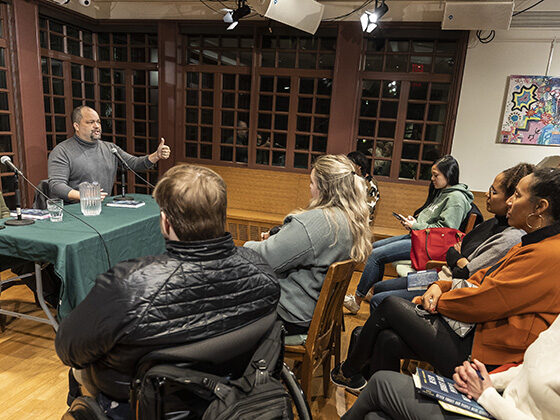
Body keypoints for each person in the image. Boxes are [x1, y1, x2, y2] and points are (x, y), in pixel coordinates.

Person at [55, 164, 280, 414]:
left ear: (165, 222)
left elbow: (69, 348)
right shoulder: (262, 269)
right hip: (232, 397)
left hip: (142, 404)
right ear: (223, 217)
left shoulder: (129, 285)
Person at [331, 168, 560, 392]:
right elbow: (473, 268)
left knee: (388, 303)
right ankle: (380, 399)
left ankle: (349, 371)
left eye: (517, 196)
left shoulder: (543, 252)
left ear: (540, 207)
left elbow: (481, 294)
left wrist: (436, 299)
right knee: (387, 337)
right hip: (452, 296)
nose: (509, 201)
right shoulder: (526, 239)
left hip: (485, 351)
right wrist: (440, 286)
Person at [369, 163, 533, 309]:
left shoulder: (511, 236)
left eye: (494, 192)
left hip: (447, 284)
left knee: (379, 297)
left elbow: (465, 271)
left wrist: (457, 256)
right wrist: (458, 257)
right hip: (437, 274)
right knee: (380, 287)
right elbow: (453, 251)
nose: (487, 195)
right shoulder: (490, 222)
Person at [341, 313, 560, 420]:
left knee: (381, 382)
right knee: (374, 418)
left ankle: (348, 372)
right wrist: (488, 380)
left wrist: (486, 394)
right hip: (495, 401)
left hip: (497, 405)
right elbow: (528, 366)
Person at [244, 155, 372, 334]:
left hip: (291, 314)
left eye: (312, 183)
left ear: (324, 187)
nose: (309, 187)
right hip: (315, 312)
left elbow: (264, 258)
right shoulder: (350, 219)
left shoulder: (318, 221)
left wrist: (246, 245)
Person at [344, 155, 473, 314]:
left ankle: (356, 300)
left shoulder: (456, 198)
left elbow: (446, 232)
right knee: (373, 248)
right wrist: (414, 222)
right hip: (420, 238)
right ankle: (370, 292)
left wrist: (416, 225)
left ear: (449, 174)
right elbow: (432, 220)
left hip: (429, 246)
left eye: (436, 175)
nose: (432, 179)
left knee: (375, 255)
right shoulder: (444, 192)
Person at [48, 105, 171, 203]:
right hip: (75, 211)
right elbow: (56, 186)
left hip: (103, 208)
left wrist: (156, 155)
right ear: (77, 126)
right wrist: (85, 196)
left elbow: (134, 164)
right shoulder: (62, 151)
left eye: (98, 122)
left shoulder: (110, 148)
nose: (96, 126)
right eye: (90, 122)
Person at [347, 150, 380, 225]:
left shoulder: (371, 183)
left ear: (359, 166)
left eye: (350, 164)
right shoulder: (350, 179)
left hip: (360, 222)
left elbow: (369, 209)